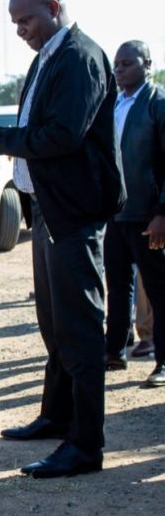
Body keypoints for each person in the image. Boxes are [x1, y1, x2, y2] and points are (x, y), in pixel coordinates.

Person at [0, 0, 125, 478]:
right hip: (48, 209)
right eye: (15, 23)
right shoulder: (47, 57)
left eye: (26, 20)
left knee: (80, 329)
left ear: (54, 6)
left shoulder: (80, 57)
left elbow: (63, 136)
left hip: (74, 212)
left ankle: (84, 446)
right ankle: (56, 416)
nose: (20, 30)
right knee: (54, 324)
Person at [101, 40, 165, 387]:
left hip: (148, 216)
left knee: (158, 289)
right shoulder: (114, 104)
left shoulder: (158, 103)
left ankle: (162, 362)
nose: (119, 69)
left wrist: (161, 212)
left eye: (127, 63)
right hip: (116, 214)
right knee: (118, 285)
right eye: (117, 64)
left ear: (147, 65)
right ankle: (114, 352)